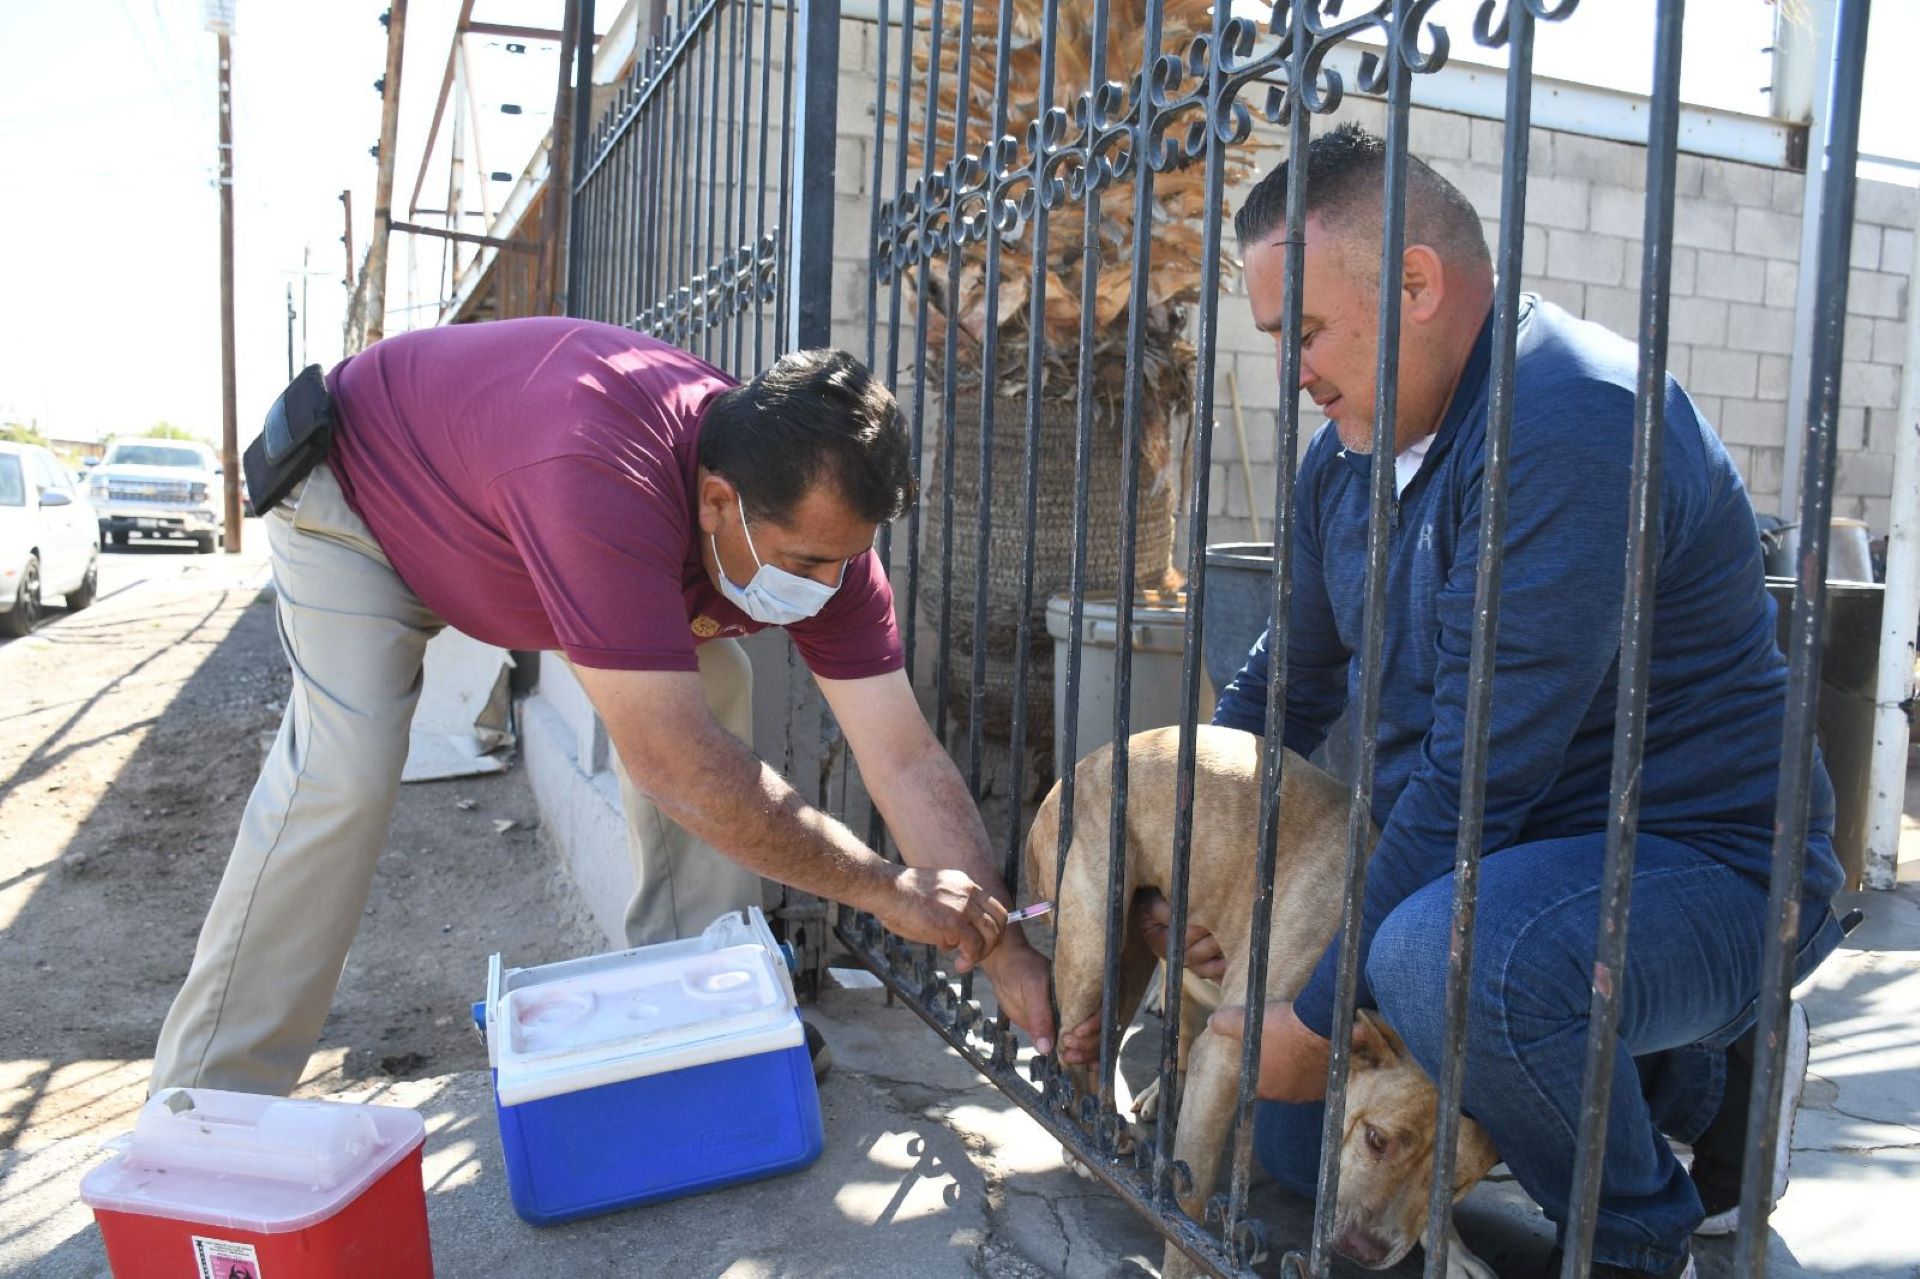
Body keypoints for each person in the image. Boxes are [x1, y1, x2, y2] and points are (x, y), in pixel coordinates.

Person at [1061, 124, 1843, 1278]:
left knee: (1445, 962)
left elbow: (1477, 780)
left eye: (1308, 333)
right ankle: (1673, 1072)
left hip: (1702, 867)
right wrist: (1191, 856)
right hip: (1501, 873)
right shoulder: (1355, 451)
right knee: (1293, 1132)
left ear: (1416, 283)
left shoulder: (1569, 426)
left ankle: (1638, 1221)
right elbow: (1289, 678)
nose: (1295, 373)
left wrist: (1314, 1017)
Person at [152, 319, 1054, 1098]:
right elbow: (674, 764)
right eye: (807, 560)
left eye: (844, 561)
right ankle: (205, 1105)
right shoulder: (601, 471)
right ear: (716, 502)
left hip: (507, 538)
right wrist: (882, 886)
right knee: (341, 772)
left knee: (717, 685)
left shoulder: (826, 541)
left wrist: (1002, 940)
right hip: (362, 501)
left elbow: (902, 756)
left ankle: (700, 1020)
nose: (828, 585)